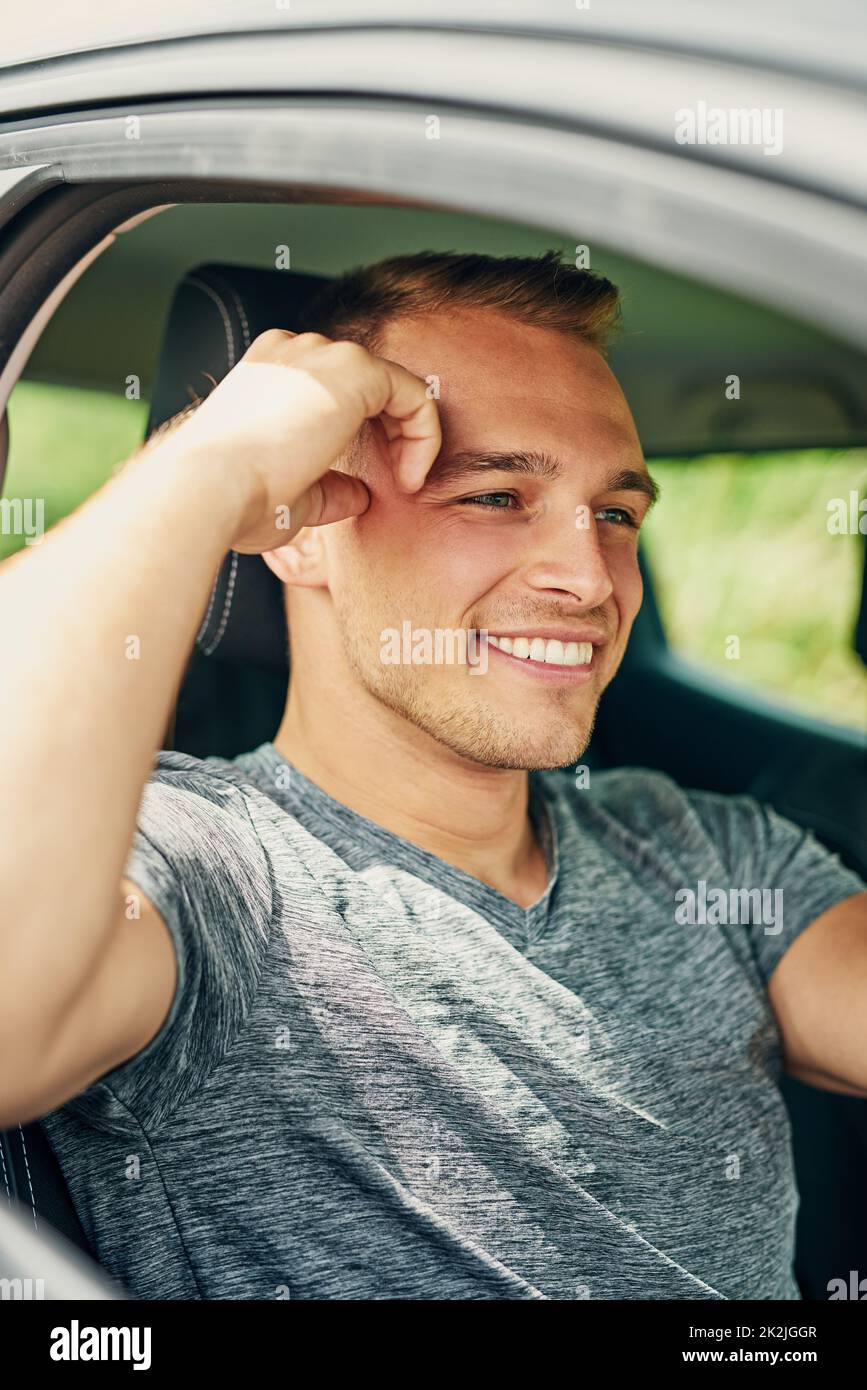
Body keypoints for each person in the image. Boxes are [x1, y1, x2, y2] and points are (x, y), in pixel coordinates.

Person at [1, 251, 864, 1301]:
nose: (590, 578)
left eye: (617, 513)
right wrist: (212, 465)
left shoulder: (707, 850)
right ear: (305, 527)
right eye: (497, 496)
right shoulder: (208, 866)